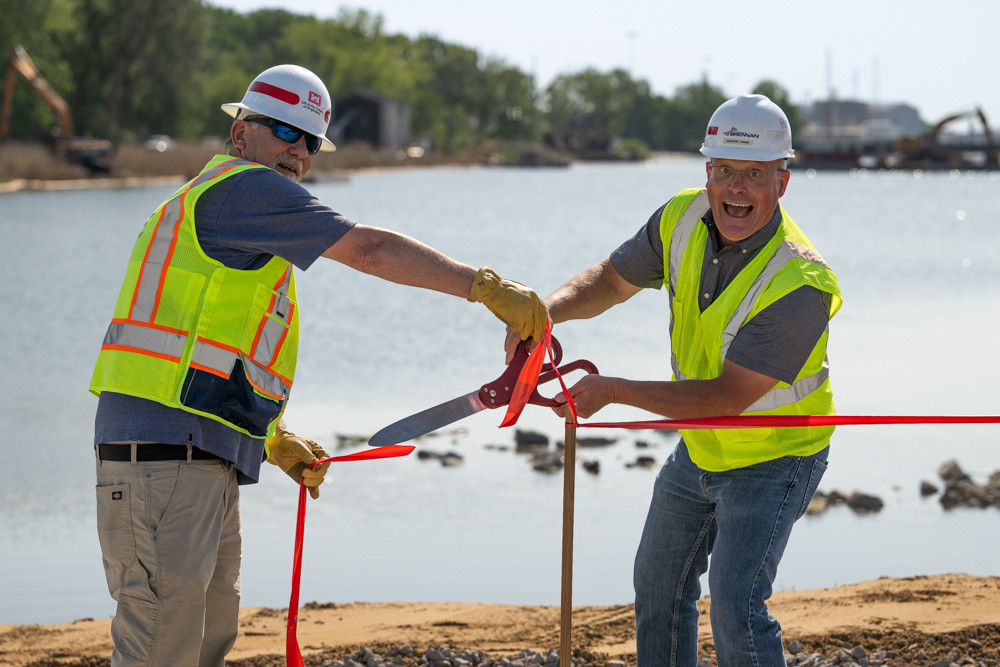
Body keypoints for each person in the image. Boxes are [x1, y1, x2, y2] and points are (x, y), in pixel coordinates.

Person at [89, 64, 548, 667]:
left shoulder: (237, 213)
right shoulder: (243, 189)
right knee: (161, 650)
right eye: (284, 130)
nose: (298, 151)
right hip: (165, 463)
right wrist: (486, 287)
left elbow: (205, 355)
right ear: (240, 135)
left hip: (195, 458)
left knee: (203, 643)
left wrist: (272, 439)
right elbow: (372, 248)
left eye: (311, 141)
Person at [537, 94, 842, 665]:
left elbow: (727, 398)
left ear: (783, 181)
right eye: (724, 171)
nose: (736, 189)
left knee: (736, 605)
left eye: (755, 175)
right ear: (707, 172)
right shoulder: (680, 218)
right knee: (658, 584)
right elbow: (611, 280)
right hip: (701, 449)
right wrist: (545, 312)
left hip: (775, 457)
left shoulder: (800, 281)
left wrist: (615, 391)